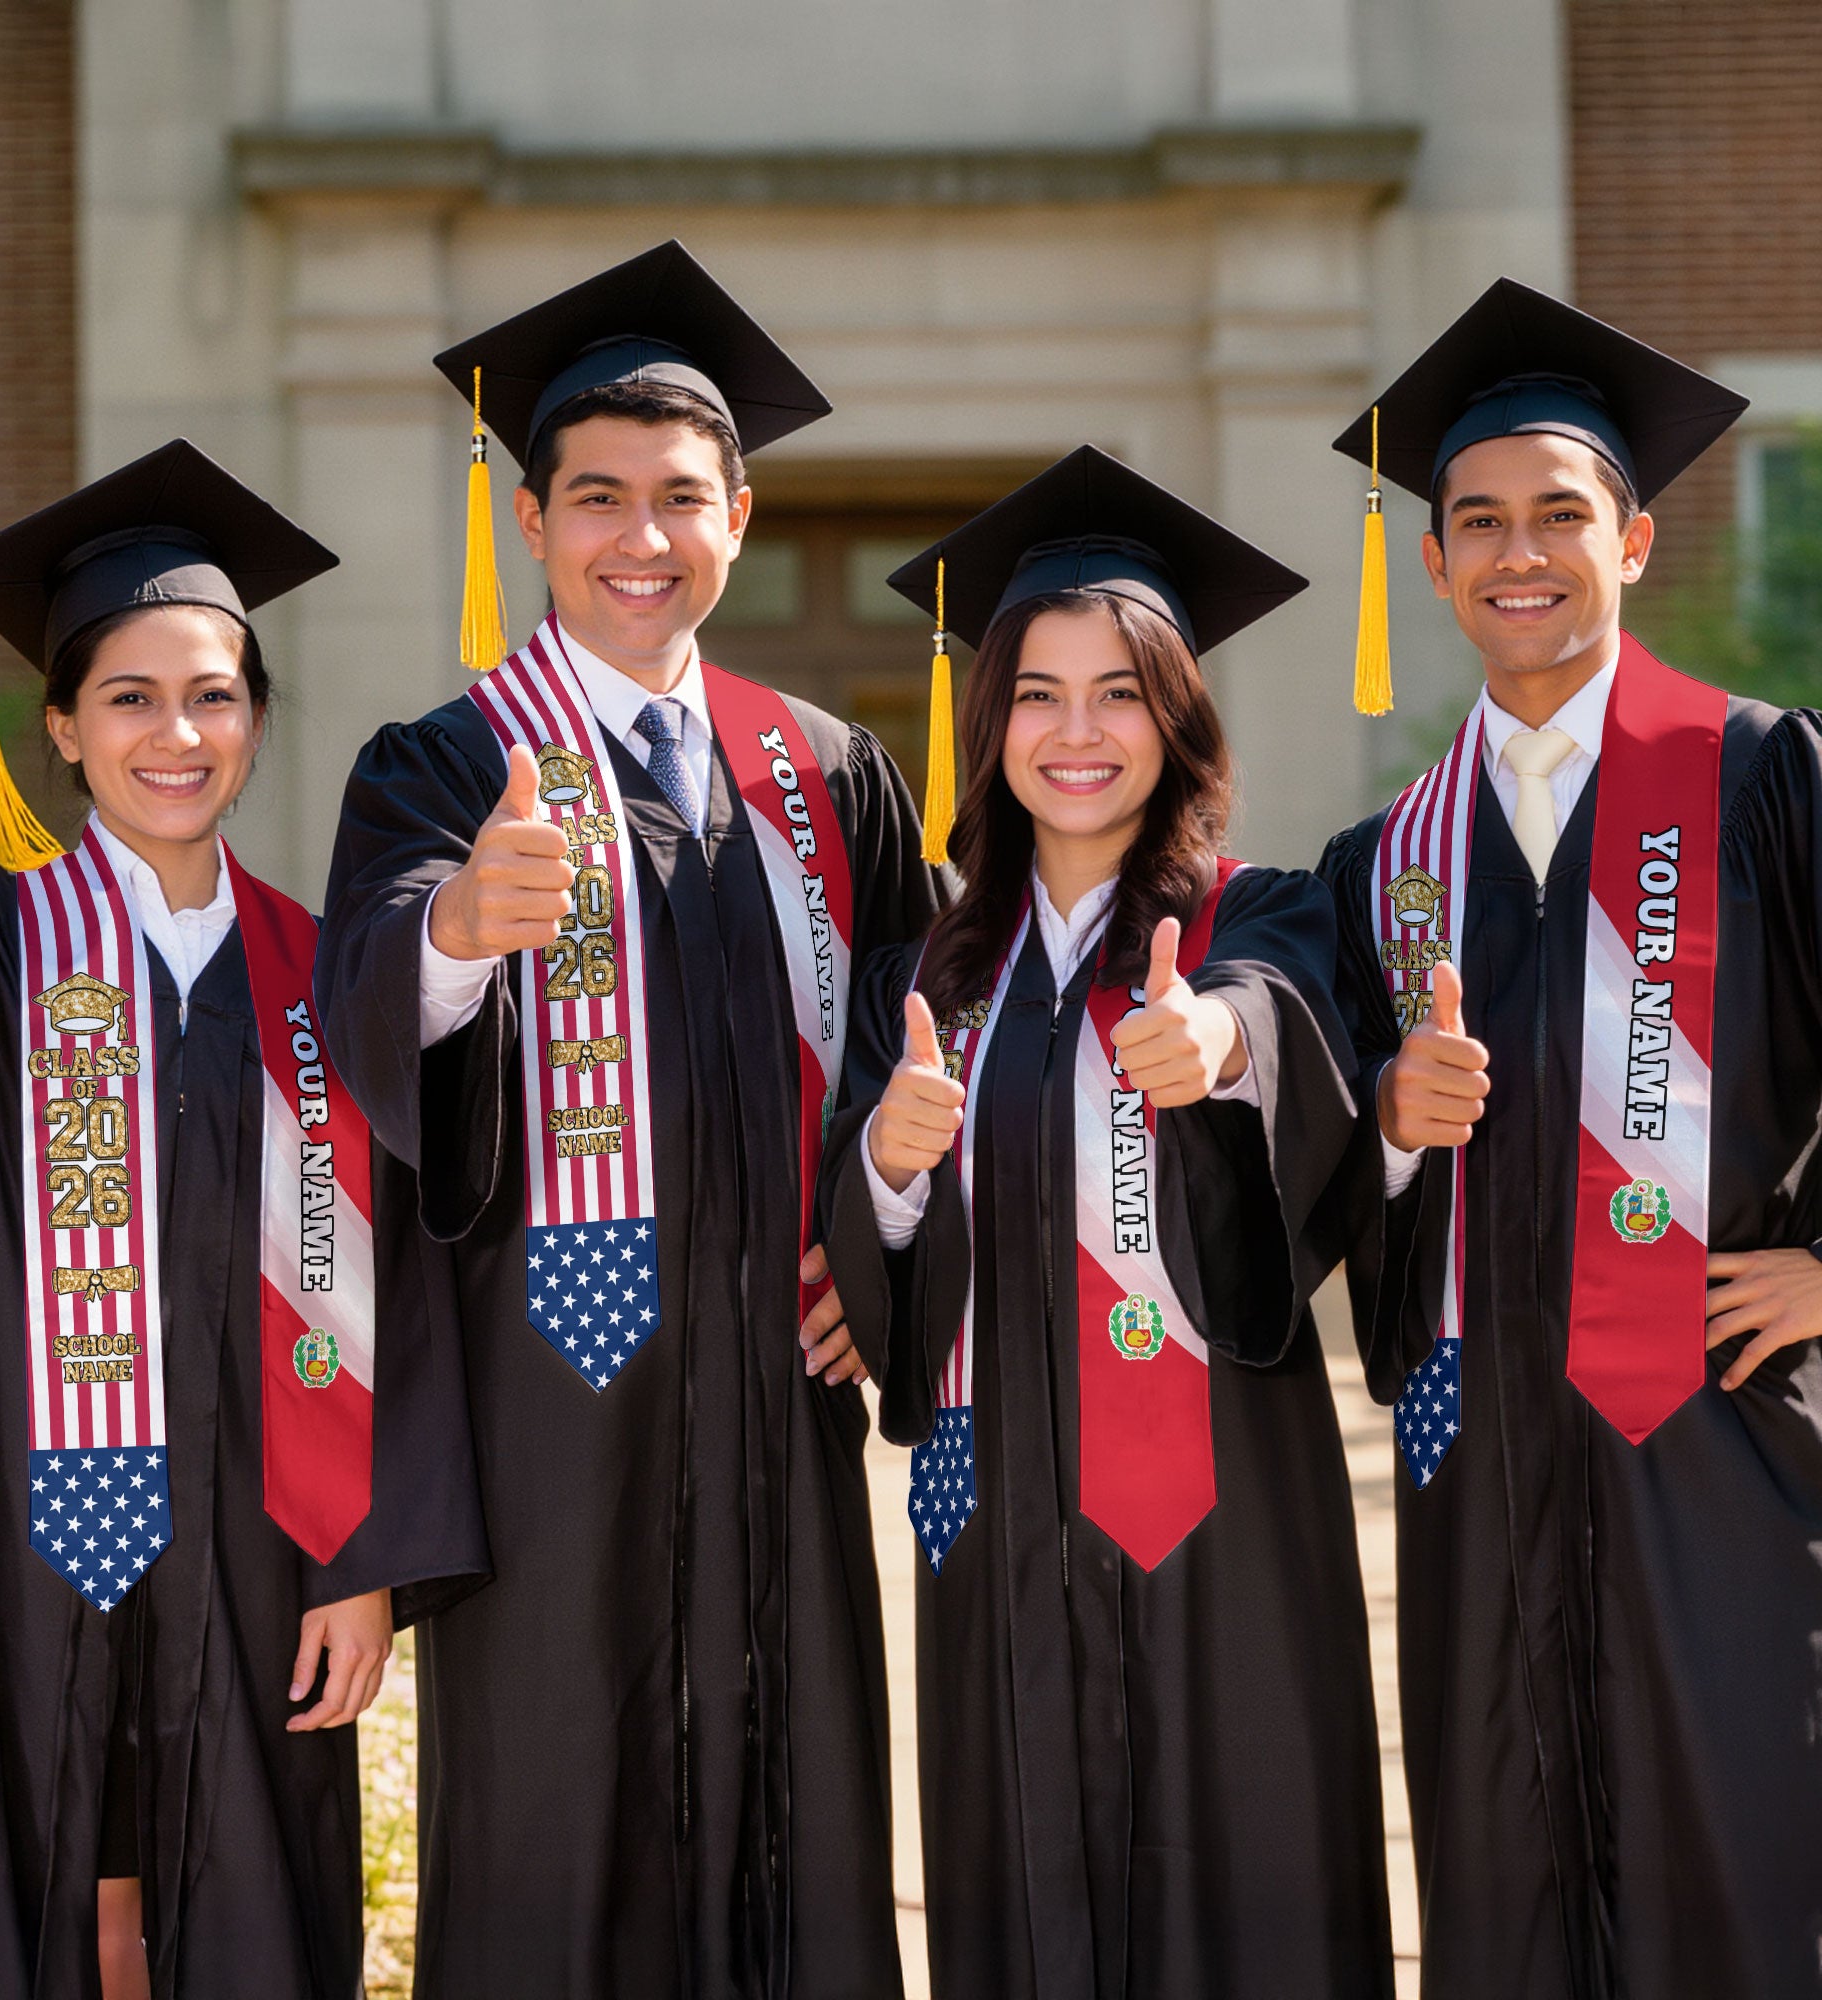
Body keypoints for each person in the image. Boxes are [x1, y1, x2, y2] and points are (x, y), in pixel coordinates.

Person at [316, 241, 943, 1999]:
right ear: (533, 522)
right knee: (557, 1833)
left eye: (682, 498)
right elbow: (363, 1005)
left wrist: (882, 1235)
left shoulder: (824, 769)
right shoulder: (442, 765)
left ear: (739, 515)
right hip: (553, 1411)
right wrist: (454, 931)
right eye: (597, 498)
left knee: (798, 1817)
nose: (640, 538)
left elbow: (935, 1026)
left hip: (777, 1396)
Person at [0, 440, 486, 2000]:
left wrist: (367, 1559)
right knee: (20, 1864)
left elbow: (412, 1279)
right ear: (60, 726)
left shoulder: (331, 977)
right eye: (127, 697)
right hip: (12, 1531)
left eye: (213, 694)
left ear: (256, 719)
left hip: (267, 1547)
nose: (174, 733)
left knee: (244, 1895)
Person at [820, 446, 1394, 1999]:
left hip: (1220, 1517)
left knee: (1247, 1885)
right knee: (1024, 1890)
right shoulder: (929, 977)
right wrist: (886, 1153)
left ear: (1179, 717)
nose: (1079, 734)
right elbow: (871, 1234)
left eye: (1122, 692)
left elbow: (1286, 1022)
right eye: (1038, 694)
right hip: (994, 1512)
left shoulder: (1258, 916)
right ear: (989, 721)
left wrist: (1217, 1046)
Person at [1318, 279, 1822, 1999]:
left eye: (1559, 515)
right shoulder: (1385, 861)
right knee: (1504, 1879)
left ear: (1636, 539)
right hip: (1481, 1462)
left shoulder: (1764, 779)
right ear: (1438, 562)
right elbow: (1314, 1169)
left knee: (1741, 1866)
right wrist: (1385, 1124)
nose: (1516, 552)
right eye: (1477, 522)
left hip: (1722, 1440)